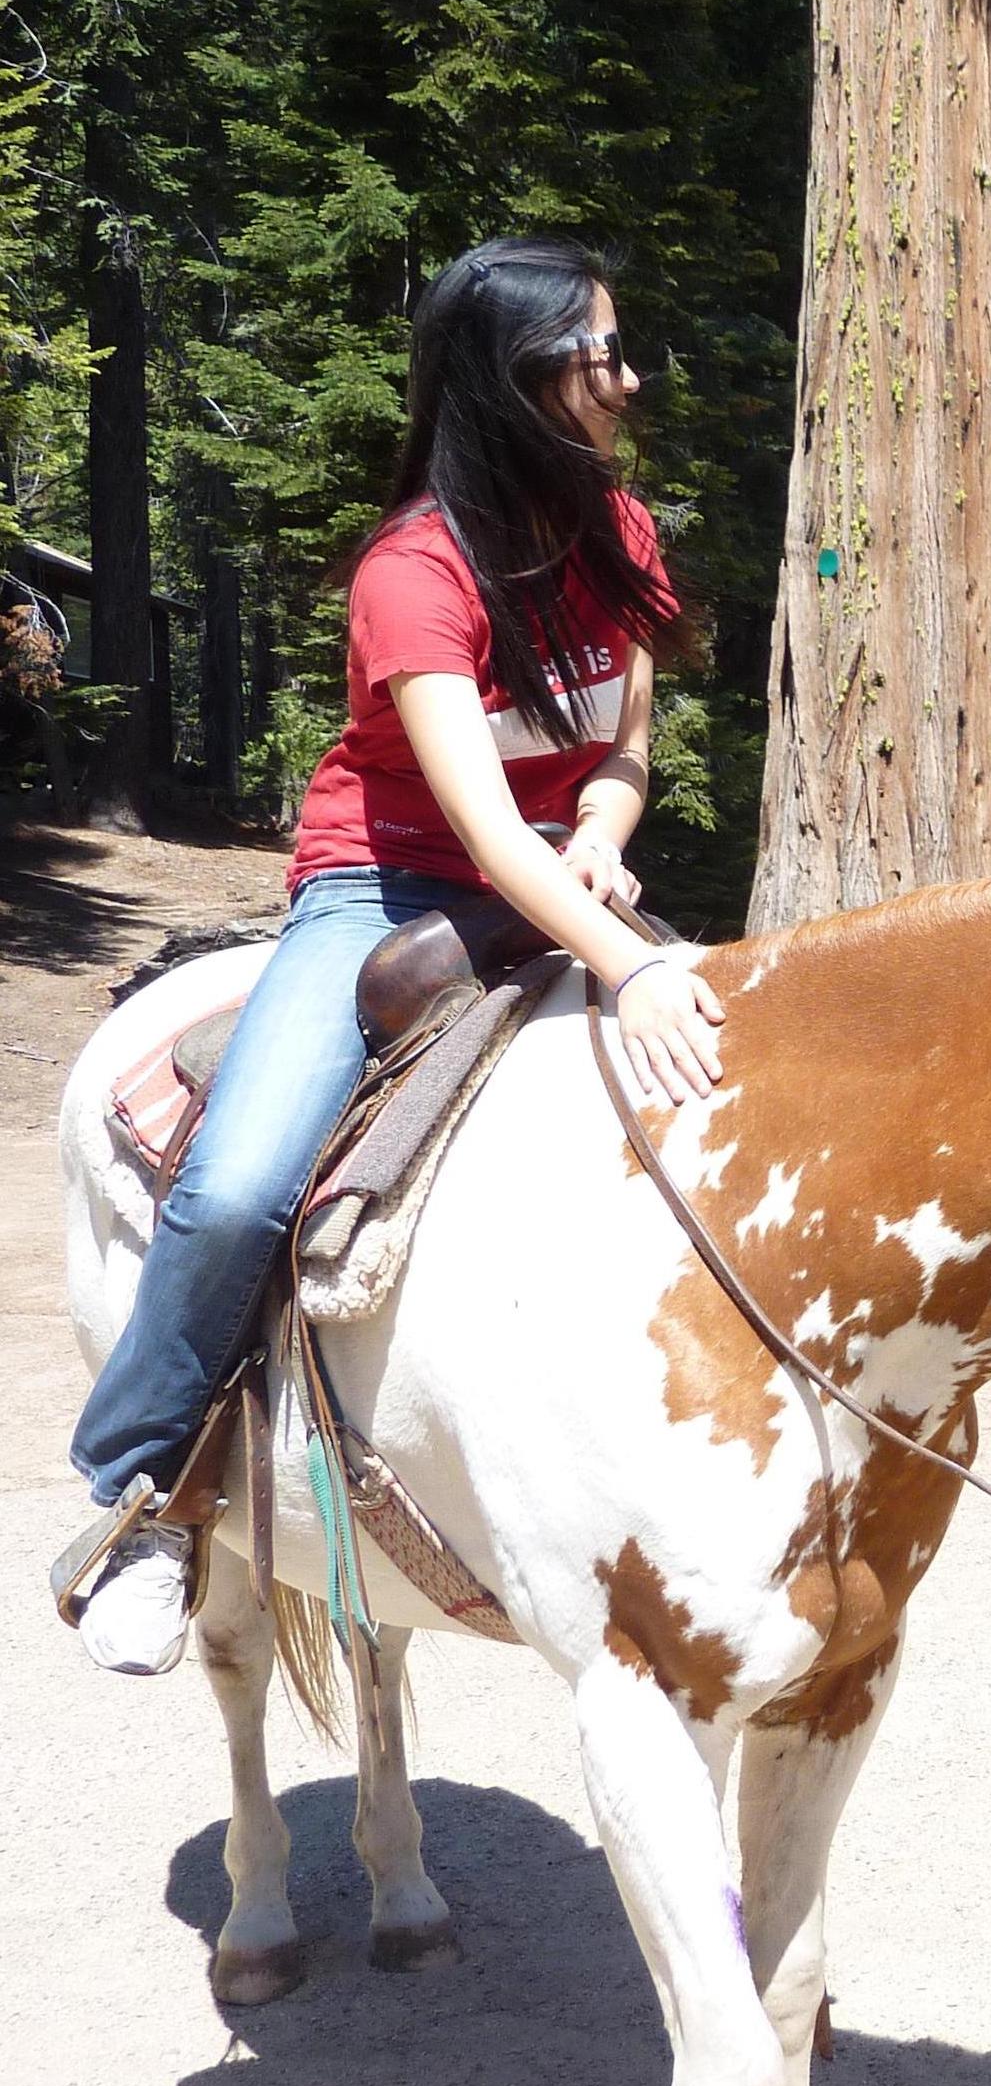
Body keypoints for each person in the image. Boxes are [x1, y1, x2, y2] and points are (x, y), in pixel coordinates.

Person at [61, 237, 728, 1673]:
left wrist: (606, 838)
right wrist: (622, 957)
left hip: (559, 879)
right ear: (519, 381)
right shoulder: (412, 571)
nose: (627, 379)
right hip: (391, 889)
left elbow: (621, 751)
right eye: (600, 353)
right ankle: (143, 1495)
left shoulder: (623, 533)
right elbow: (482, 838)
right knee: (242, 1185)